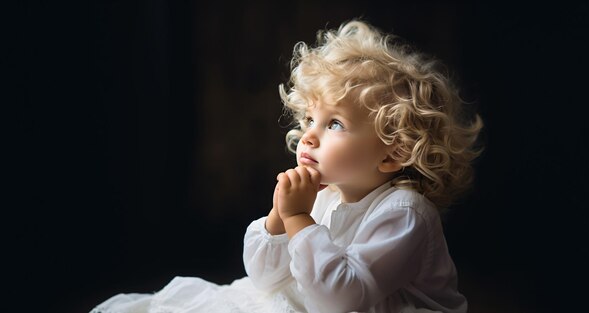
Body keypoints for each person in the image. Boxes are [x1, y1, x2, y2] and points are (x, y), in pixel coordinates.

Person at [91, 19, 482, 313]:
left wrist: (298, 218)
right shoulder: (326, 194)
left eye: (334, 124)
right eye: (309, 120)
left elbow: (341, 297)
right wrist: (280, 219)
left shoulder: (405, 213)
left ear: (392, 153)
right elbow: (264, 279)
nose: (309, 136)